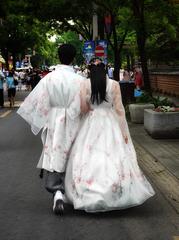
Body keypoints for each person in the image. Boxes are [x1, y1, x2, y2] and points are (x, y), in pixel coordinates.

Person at [65, 61, 155, 212]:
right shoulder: (114, 84)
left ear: (91, 71)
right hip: (110, 122)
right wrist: (124, 132)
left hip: (91, 122)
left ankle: (89, 190)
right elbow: (119, 110)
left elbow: (83, 108)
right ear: (105, 70)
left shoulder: (85, 84)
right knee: (112, 155)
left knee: (89, 156)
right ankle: (115, 191)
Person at [17, 44, 87, 215]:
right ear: (73, 58)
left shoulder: (49, 78)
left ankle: (57, 191)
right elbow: (86, 105)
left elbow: (40, 103)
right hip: (74, 118)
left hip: (54, 119)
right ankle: (75, 190)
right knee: (74, 154)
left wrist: (45, 117)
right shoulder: (81, 80)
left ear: (58, 56)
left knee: (55, 153)